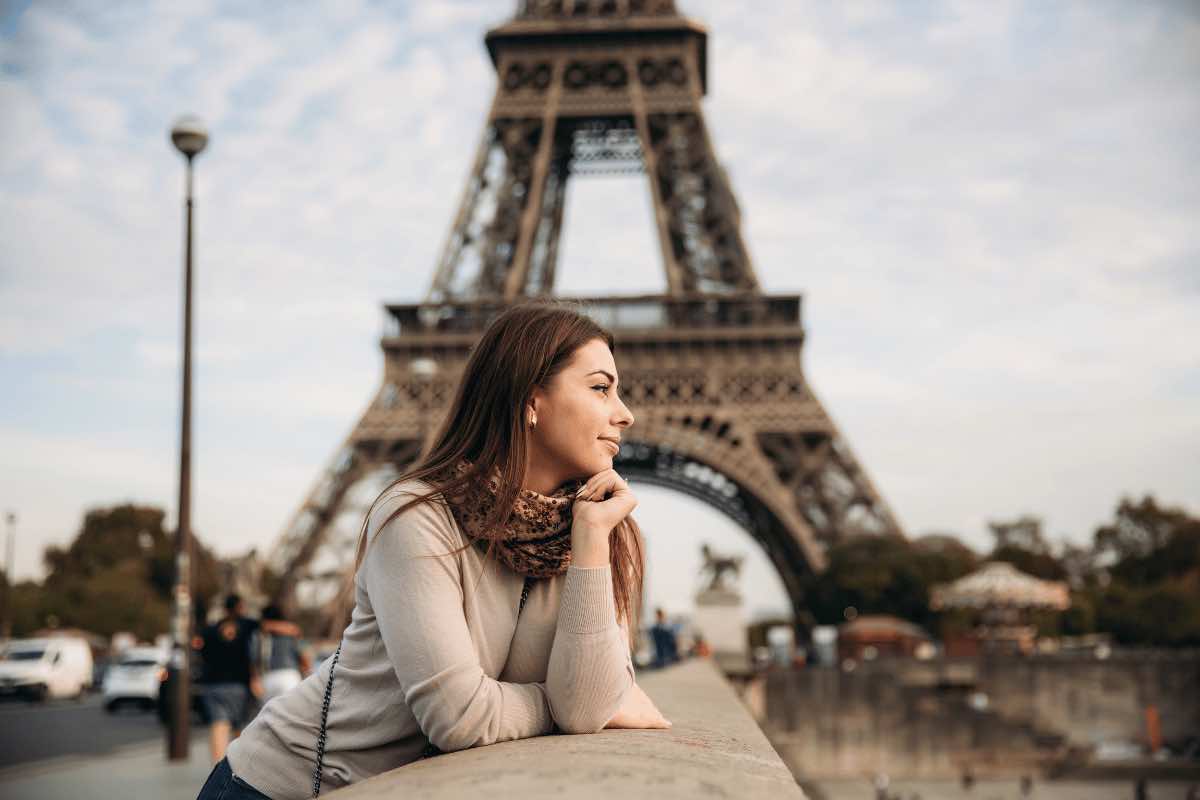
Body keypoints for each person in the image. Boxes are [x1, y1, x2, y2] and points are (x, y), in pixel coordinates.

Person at [197, 301, 671, 800]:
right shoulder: (415, 516)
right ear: (531, 401)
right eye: (601, 387)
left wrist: (592, 541)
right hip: (278, 788)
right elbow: (461, 718)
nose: (626, 413)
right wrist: (560, 701)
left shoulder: (598, 527)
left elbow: (587, 708)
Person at [199, 594, 304, 764]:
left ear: (225, 608)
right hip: (238, 685)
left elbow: (202, 653)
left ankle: (217, 765)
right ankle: (237, 765)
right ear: (240, 607)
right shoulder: (247, 625)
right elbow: (275, 629)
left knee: (218, 725)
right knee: (239, 727)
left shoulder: (211, 629)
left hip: (213, 684)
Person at [250, 605, 312, 703]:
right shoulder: (293, 633)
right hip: (290, 676)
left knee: (269, 715)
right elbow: (304, 656)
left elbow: (253, 659)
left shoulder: (258, 634)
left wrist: (255, 679)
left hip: (267, 677)